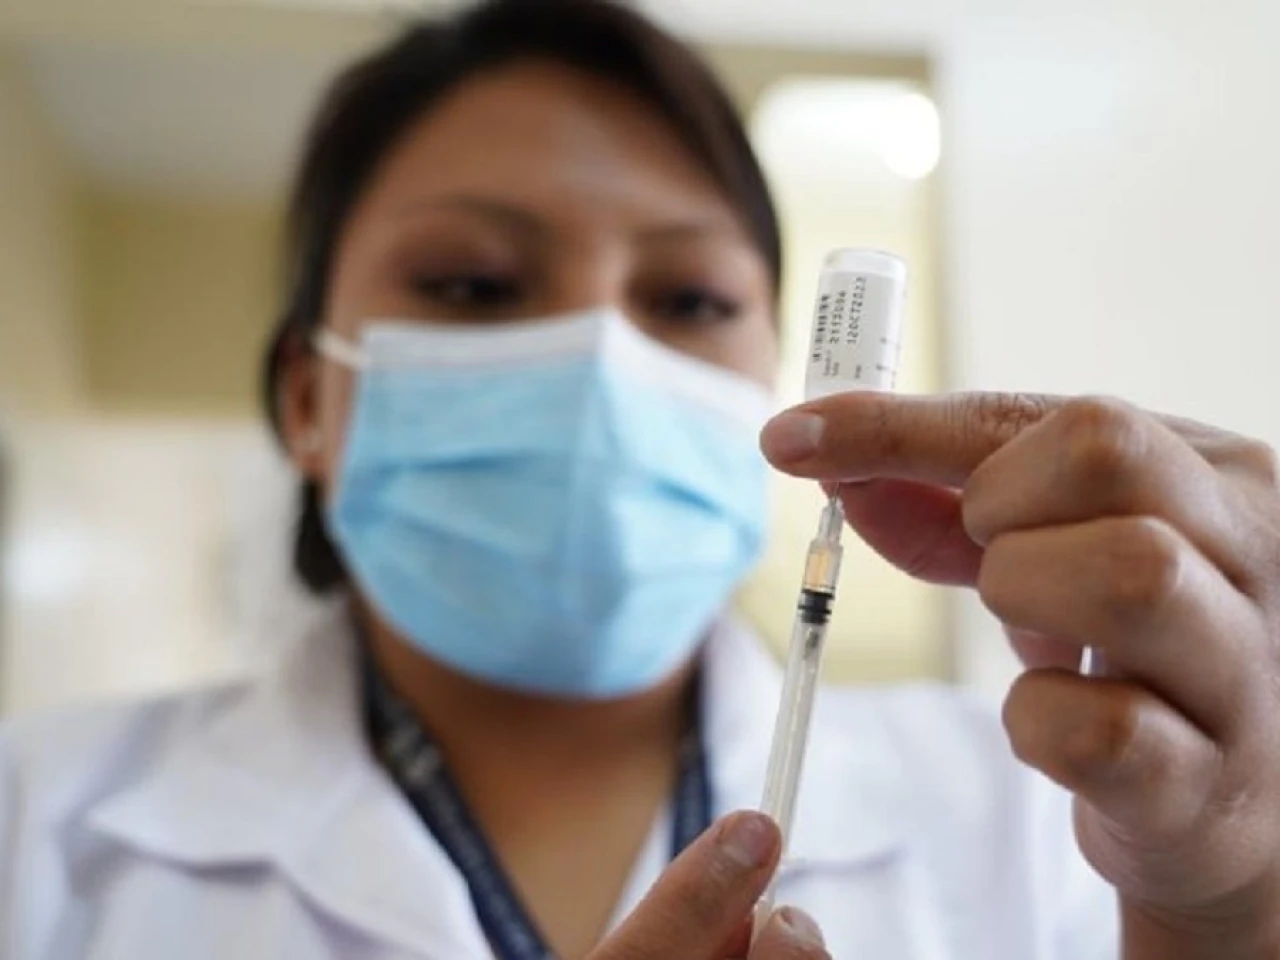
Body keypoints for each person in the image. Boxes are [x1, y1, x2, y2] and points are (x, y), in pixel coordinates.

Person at [3, 0, 1280, 957]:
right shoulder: (37, 830)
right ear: (305, 399)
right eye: (472, 285)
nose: (602, 362)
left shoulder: (1048, 825)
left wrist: (1226, 915)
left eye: (687, 298)